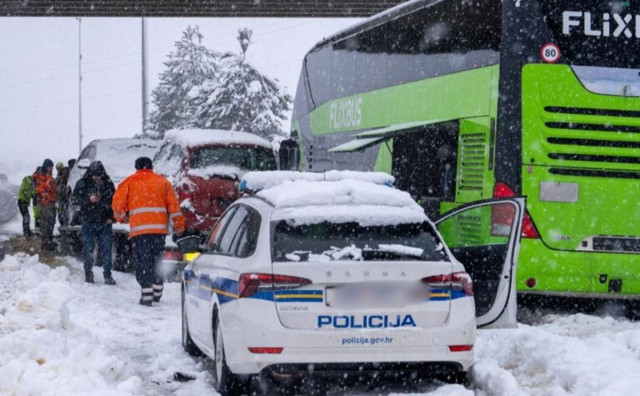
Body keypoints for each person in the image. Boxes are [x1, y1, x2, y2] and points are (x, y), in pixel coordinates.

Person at [112, 157, 185, 306]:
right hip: (159, 231)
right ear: (151, 167)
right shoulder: (163, 182)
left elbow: (117, 205)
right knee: (156, 259)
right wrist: (179, 225)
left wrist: (122, 218)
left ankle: (147, 294)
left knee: (142, 261)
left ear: (137, 167)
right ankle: (158, 288)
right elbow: (174, 206)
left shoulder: (129, 182)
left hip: (140, 232)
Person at [72, 161, 116, 284]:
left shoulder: (108, 184)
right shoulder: (82, 183)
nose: (96, 177)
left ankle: (107, 275)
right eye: (94, 174)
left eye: (98, 174)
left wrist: (112, 217)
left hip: (104, 222)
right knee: (89, 249)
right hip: (88, 221)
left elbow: (116, 201)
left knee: (106, 250)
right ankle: (88, 274)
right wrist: (88, 199)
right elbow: (74, 200)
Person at [33, 159, 58, 251]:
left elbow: (53, 188)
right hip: (44, 202)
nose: (51, 168)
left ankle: (49, 240)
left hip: (51, 202)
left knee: (51, 221)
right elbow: (40, 189)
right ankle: (45, 243)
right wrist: (46, 196)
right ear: (46, 166)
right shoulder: (40, 176)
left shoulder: (49, 176)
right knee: (46, 222)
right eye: (50, 167)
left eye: (52, 167)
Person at [17, 168, 38, 237]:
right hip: (22, 200)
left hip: (24, 202)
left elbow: (32, 194)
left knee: (26, 216)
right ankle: (26, 232)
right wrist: (32, 186)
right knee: (26, 216)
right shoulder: (27, 179)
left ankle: (27, 231)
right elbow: (25, 189)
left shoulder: (33, 183)